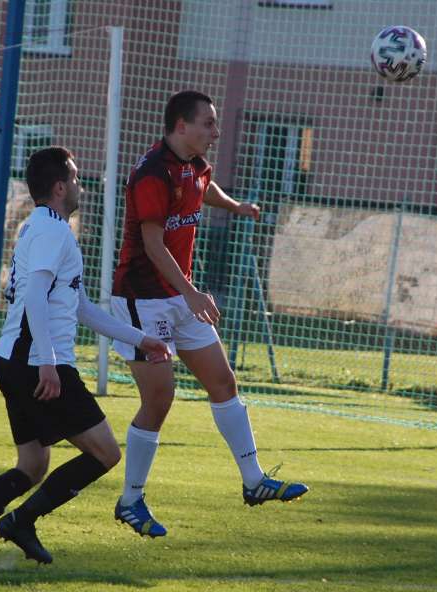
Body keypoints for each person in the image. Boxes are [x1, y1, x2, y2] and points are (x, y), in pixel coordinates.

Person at [0, 147, 171, 567]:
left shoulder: (42, 228)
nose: (81, 185)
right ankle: (21, 522)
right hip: (38, 362)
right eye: (77, 178)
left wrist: (141, 339)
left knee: (32, 464)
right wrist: (47, 361)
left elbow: (80, 306)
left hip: (13, 359)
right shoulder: (53, 232)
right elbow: (33, 296)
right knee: (105, 453)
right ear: (61, 186)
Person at [110, 90, 309, 538]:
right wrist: (194, 293)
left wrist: (235, 206)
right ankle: (130, 500)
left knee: (223, 383)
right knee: (159, 400)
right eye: (208, 124)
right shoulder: (151, 174)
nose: (216, 132)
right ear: (181, 126)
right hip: (144, 300)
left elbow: (204, 188)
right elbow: (154, 247)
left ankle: (255, 482)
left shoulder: (194, 165)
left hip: (180, 296)